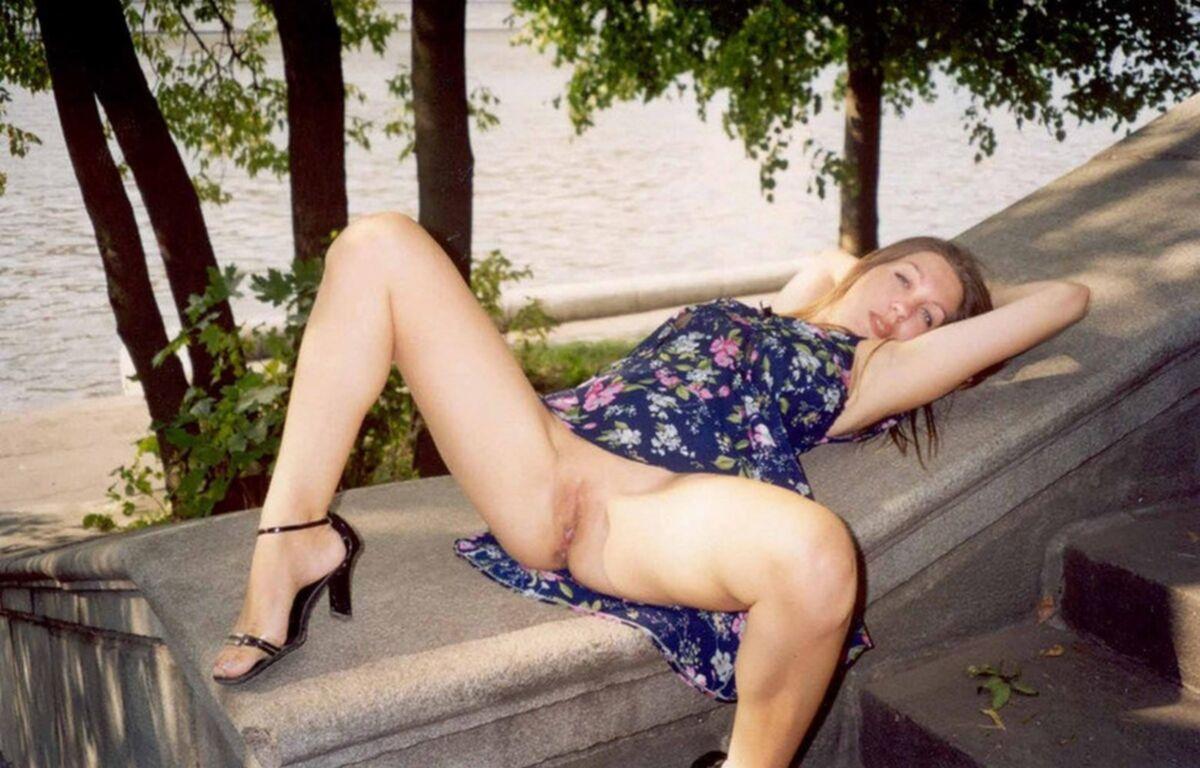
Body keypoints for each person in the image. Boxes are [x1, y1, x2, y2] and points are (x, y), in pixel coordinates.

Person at [210, 212, 1090, 768]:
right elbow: (827, 263)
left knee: (817, 552)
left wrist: (932, 306)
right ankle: (292, 541)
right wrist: (856, 274)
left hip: (647, 507)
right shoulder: (777, 315)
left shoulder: (873, 370)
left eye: (932, 315)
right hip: (541, 446)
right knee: (376, 243)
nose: (906, 310)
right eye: (903, 280)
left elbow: (1066, 297)